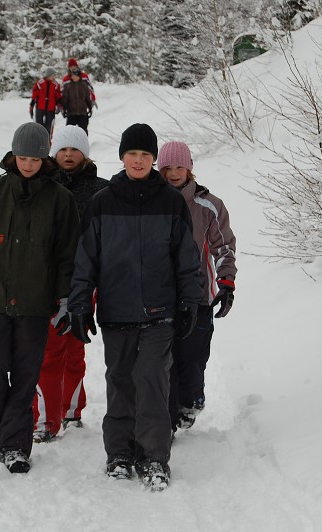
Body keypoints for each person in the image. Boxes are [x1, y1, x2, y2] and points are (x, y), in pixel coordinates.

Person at [68, 124, 204, 491]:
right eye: (133, 154)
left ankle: (154, 457)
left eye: (145, 155)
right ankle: (120, 453)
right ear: (122, 157)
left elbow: (187, 259)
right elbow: (86, 260)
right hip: (117, 311)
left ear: (154, 159)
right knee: (120, 381)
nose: (139, 160)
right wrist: (80, 303)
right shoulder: (103, 202)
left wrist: (190, 300)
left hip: (161, 311)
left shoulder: (171, 202)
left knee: (153, 379)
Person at [0, 122, 79, 474]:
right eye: (23, 158)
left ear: (44, 159)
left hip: (36, 305)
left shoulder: (60, 199)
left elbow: (67, 256)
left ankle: (15, 446)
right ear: (13, 156)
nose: (28, 165)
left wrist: (66, 300)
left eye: (35, 159)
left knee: (24, 377)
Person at [32, 125, 109, 443]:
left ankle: (72, 410)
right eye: (62, 149)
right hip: (48, 283)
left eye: (74, 149)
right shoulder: (42, 185)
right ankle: (46, 420)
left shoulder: (101, 191)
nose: (67, 155)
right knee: (49, 352)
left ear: (85, 154)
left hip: (85, 283)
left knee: (74, 350)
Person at [157, 141, 237, 437]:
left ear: (189, 168)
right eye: (167, 168)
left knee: (192, 358)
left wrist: (226, 282)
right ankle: (166, 418)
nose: (174, 173)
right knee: (164, 361)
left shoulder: (209, 205)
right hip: (160, 297)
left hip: (199, 297)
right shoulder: (152, 201)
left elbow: (224, 246)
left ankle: (190, 402)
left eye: (180, 167)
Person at [60, 68, 93, 134]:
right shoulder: (68, 86)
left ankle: (83, 141)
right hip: (71, 113)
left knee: (83, 131)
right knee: (69, 132)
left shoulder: (84, 85)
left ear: (79, 76)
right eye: (72, 76)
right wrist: (64, 109)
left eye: (75, 76)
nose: (74, 77)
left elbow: (87, 98)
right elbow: (65, 98)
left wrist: (90, 108)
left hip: (82, 112)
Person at [30, 67, 61, 136]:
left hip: (51, 109)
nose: (53, 76)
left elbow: (58, 96)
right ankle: (38, 139)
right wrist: (32, 105)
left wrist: (59, 105)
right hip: (40, 107)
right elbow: (34, 94)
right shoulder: (40, 83)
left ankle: (48, 140)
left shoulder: (55, 84)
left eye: (54, 75)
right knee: (39, 126)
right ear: (48, 75)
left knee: (49, 126)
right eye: (52, 75)